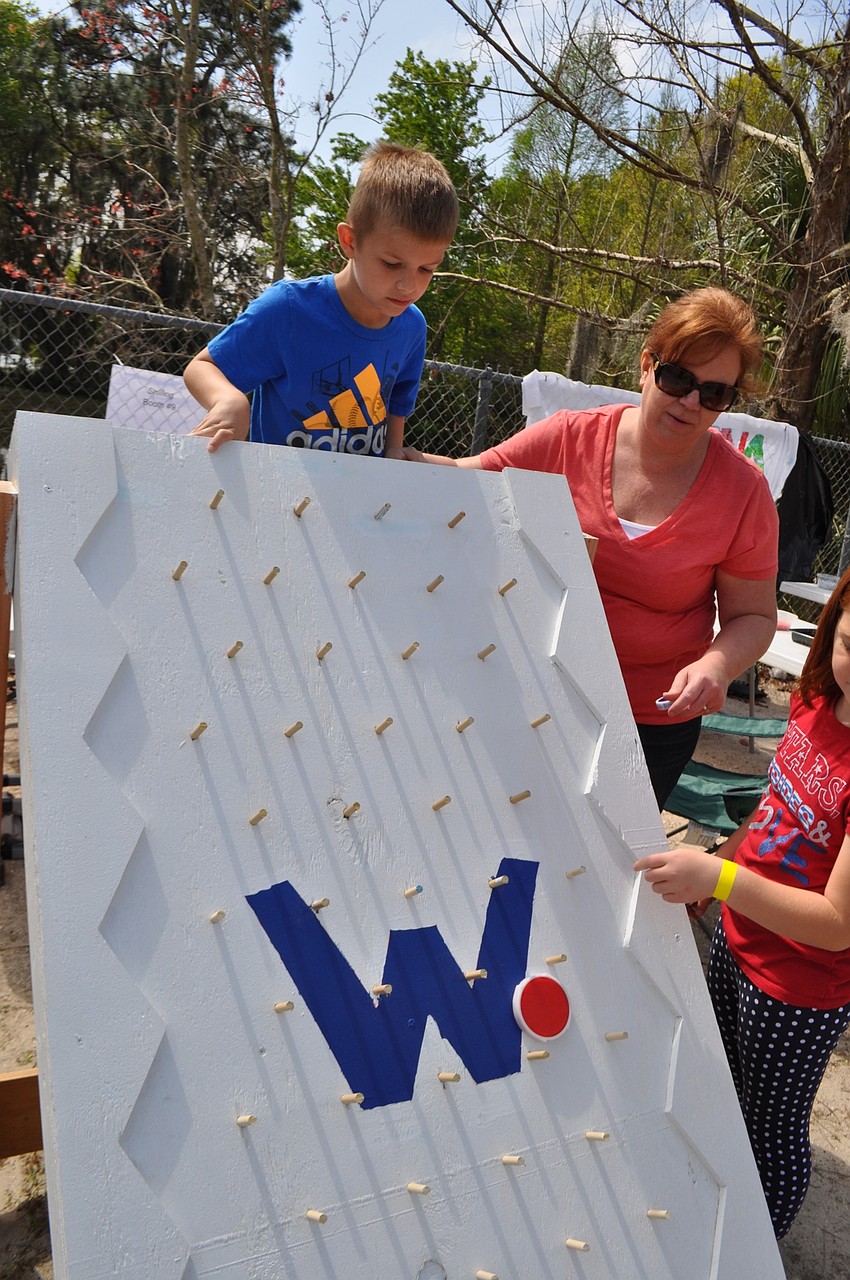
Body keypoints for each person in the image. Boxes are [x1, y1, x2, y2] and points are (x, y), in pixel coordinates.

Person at [407, 287, 778, 808]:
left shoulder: (744, 492)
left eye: (715, 394)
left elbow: (754, 618)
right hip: (534, 698)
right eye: (678, 378)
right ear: (646, 366)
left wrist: (716, 666)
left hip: (650, 722)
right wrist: (382, 457)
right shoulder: (567, 439)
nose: (692, 402)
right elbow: (467, 483)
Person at [634, 566, 850, 1239]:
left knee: (771, 1134)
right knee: (724, 1092)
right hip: (737, 937)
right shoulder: (816, 705)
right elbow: (774, 815)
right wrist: (722, 868)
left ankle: (752, 1249)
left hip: (797, 985)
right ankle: (712, 1219)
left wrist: (717, 880)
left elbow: (837, 925)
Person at [183, 140, 459, 457]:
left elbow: (397, 401)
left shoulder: (411, 326)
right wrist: (229, 400)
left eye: (427, 268)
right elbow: (201, 367)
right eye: (392, 264)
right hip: (279, 492)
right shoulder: (288, 310)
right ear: (350, 241)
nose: (409, 287)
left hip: (360, 497)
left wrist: (393, 455)